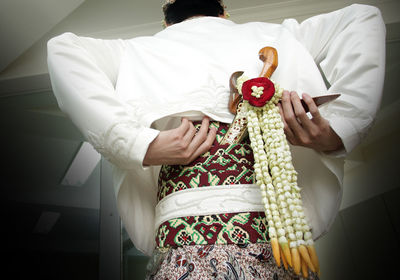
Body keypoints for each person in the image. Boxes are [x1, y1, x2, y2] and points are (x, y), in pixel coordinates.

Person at [47, 0, 385, 278]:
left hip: (190, 235)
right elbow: (363, 17)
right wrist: (340, 128)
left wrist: (137, 143)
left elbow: (62, 48)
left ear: (166, 20)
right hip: (272, 234)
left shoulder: (135, 51)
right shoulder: (277, 35)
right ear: (224, 11)